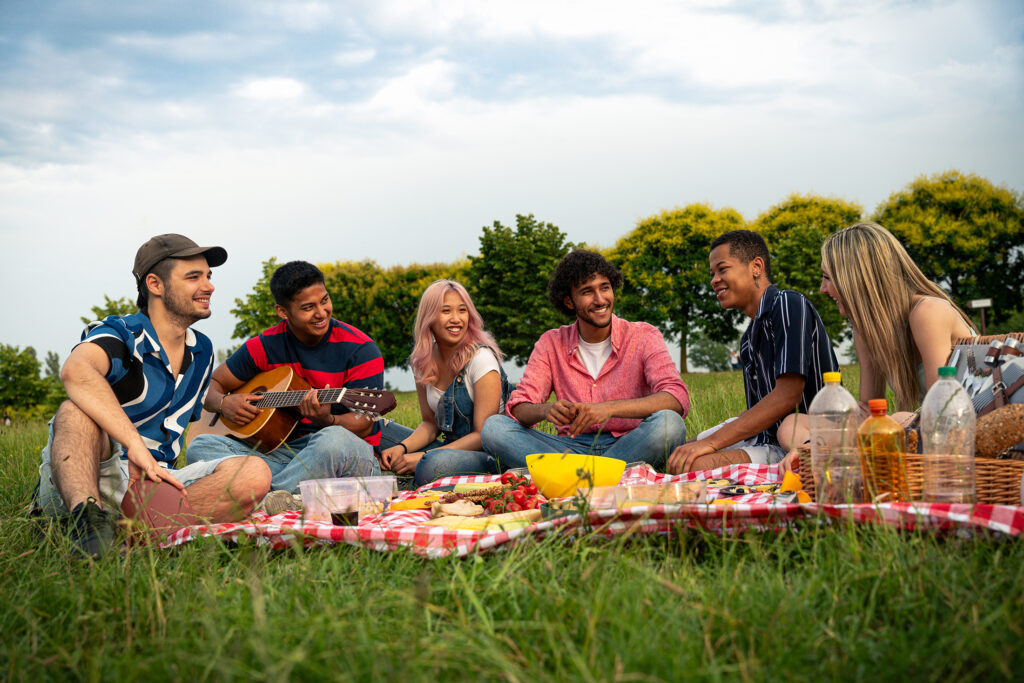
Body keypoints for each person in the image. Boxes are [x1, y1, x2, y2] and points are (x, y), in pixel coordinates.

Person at [34, 234, 272, 558]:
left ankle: (127, 537)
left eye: (208, 276)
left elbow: (198, 418)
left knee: (254, 471)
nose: (209, 286)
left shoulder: (202, 352)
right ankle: (87, 521)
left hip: (156, 481)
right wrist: (134, 444)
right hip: (92, 474)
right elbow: (76, 371)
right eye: (194, 277)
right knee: (74, 411)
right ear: (155, 284)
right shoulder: (120, 332)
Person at [779, 221, 976, 472]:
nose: (823, 289)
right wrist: (820, 438)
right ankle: (819, 456)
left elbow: (940, 411)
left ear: (857, 279)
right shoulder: (866, 329)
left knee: (897, 420)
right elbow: (868, 412)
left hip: (960, 434)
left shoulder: (928, 312)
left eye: (828, 278)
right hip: (920, 433)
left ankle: (831, 460)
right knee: (792, 424)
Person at [186, 261, 383, 493]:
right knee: (200, 445)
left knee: (332, 439)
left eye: (325, 300)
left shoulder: (360, 349)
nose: (321, 313)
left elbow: (364, 425)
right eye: (308, 307)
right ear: (283, 311)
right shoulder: (264, 346)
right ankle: (296, 491)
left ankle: (265, 495)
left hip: (345, 455)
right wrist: (223, 402)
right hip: (280, 455)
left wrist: (326, 420)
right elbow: (210, 385)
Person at [481, 249, 689, 469]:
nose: (600, 300)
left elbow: (675, 397)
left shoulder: (643, 336)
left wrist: (608, 409)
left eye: (605, 288)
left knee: (670, 424)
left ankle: (575, 479)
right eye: (587, 292)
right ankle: (604, 475)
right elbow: (518, 407)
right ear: (569, 302)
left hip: (631, 442)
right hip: (569, 449)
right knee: (494, 428)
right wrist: (546, 410)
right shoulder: (551, 342)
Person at [667, 230, 838, 474]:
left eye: (722, 269)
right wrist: (707, 442)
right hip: (764, 436)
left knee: (692, 465)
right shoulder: (749, 338)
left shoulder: (788, 305)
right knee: (679, 453)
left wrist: (713, 443)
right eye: (712, 274)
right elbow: (757, 409)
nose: (714, 280)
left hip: (798, 439)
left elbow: (788, 396)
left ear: (756, 266)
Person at [378, 280, 507, 486]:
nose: (456, 319)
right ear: (429, 317)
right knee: (376, 430)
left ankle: (410, 480)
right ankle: (390, 473)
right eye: (445, 311)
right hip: (447, 449)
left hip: (487, 456)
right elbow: (430, 424)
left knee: (432, 465)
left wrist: (425, 456)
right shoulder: (422, 361)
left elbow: (483, 436)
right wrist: (402, 448)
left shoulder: (481, 359)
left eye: (462, 311)